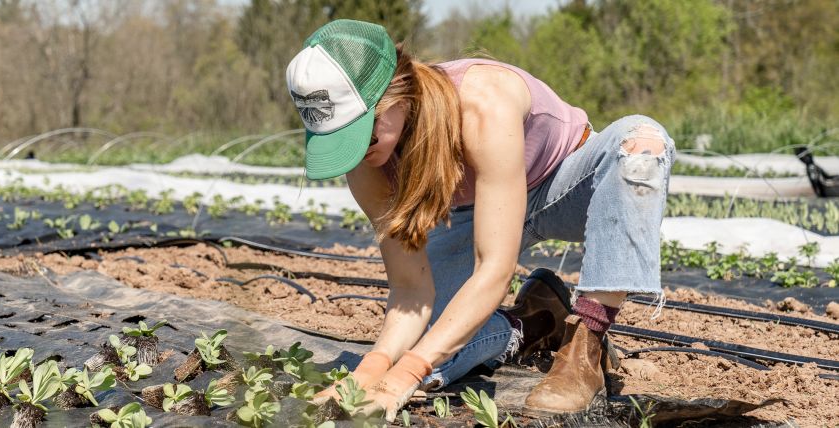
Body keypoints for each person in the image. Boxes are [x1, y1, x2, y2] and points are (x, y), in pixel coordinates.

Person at [285, 19, 675, 420]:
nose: (358, 152)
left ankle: (586, 344)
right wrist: (372, 370)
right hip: (478, 212)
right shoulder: (367, 164)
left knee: (641, 144)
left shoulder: (480, 102)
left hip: (566, 186)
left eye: (361, 134)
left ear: (396, 93)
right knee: (430, 354)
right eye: (339, 141)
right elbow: (410, 289)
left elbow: (495, 269)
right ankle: (533, 321)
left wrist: (405, 373)